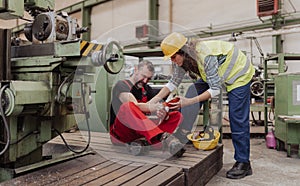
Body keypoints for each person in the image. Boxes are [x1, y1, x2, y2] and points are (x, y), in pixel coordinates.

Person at [150, 32, 255, 179]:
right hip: (217, 74)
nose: (173, 61)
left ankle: (243, 163)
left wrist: (188, 102)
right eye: (171, 58)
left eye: (174, 57)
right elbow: (172, 83)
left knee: (236, 117)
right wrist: (152, 101)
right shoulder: (185, 60)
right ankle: (182, 136)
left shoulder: (205, 56)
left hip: (238, 74)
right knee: (192, 92)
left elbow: (215, 89)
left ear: (183, 52)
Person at [109, 60, 185, 157]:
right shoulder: (121, 85)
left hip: (140, 132)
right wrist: (153, 107)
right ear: (136, 70)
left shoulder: (146, 89)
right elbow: (135, 105)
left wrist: (163, 112)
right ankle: (161, 137)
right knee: (128, 106)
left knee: (176, 115)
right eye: (143, 76)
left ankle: (144, 143)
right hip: (121, 133)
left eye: (148, 78)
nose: (145, 81)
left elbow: (161, 96)